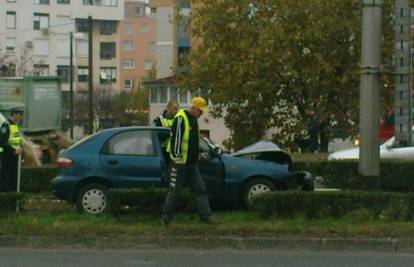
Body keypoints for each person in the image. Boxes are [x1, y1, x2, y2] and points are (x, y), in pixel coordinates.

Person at [162, 97, 217, 225]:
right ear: (193, 108)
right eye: (200, 111)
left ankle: (205, 217)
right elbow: (176, 140)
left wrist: (196, 154)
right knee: (174, 192)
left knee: (200, 189)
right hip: (179, 164)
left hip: (191, 164)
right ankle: (166, 219)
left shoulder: (193, 120)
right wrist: (177, 160)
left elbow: (193, 140)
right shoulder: (181, 119)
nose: (201, 114)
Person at [0, 107, 24, 192]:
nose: (21, 117)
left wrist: (19, 149)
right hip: (7, 155)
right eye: (20, 115)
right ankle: (5, 196)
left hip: (15, 155)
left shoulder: (15, 126)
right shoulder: (6, 125)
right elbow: (2, 142)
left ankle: (13, 195)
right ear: (15, 114)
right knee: (6, 176)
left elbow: (15, 141)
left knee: (14, 177)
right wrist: (14, 150)